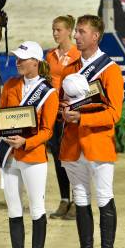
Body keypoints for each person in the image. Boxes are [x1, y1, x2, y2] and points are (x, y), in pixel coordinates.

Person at [59, 15, 124, 248]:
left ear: (96, 36)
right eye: (76, 32)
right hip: (73, 145)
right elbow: (62, 103)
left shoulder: (110, 70)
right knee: (82, 201)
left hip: (98, 144)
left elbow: (114, 114)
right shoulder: (70, 68)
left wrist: (82, 118)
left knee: (104, 199)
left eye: (82, 32)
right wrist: (64, 112)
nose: (76, 36)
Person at [0, 41, 58, 248]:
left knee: (36, 209)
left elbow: (47, 131)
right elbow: (2, 116)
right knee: (13, 209)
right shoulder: (10, 85)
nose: (17, 62)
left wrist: (26, 142)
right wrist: (3, 144)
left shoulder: (49, 93)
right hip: (10, 156)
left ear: (36, 62)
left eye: (22, 59)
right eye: (17, 58)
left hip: (33, 157)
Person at [45, 15, 81, 220]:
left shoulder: (78, 54)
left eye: (58, 29)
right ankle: (64, 199)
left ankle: (77, 200)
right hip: (54, 114)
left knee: (72, 158)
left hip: (71, 113)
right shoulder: (49, 56)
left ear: (69, 31)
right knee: (58, 157)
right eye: (53, 29)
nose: (55, 33)